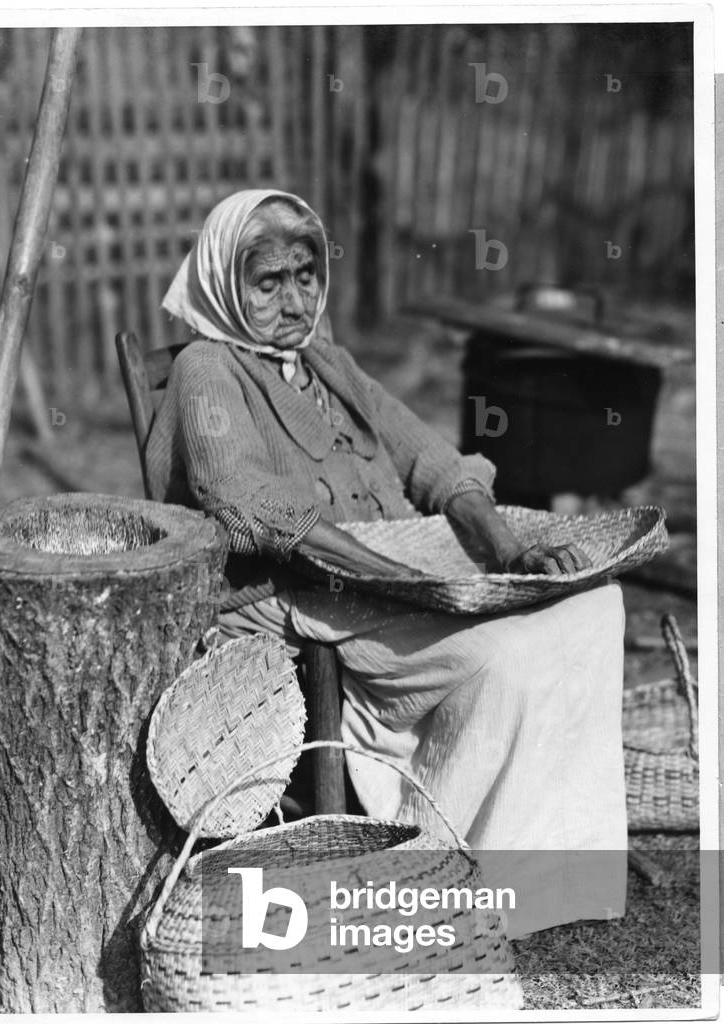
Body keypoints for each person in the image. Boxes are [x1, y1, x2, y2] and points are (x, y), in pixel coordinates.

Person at [146, 189, 627, 937]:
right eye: (267, 283)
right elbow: (242, 497)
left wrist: (505, 552)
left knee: (594, 607)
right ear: (222, 282)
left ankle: (550, 874)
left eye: (305, 276)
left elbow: (430, 460)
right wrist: (393, 577)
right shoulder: (207, 370)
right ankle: (435, 869)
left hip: (395, 573)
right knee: (502, 655)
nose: (294, 300)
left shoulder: (326, 362)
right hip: (294, 588)